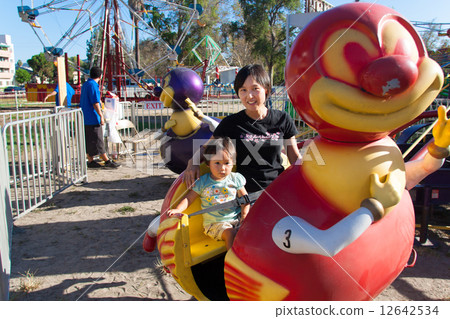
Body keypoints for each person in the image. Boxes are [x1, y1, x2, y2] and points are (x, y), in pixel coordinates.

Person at [183, 64, 301, 193]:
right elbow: (206, 147)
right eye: (243, 90)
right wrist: (192, 163)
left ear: (266, 89)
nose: (249, 96)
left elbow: (294, 156)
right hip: (245, 192)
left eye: (255, 88)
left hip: (278, 189)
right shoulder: (231, 123)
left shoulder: (282, 119)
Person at [168, 137, 250, 250]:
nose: (222, 168)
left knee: (253, 230)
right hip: (215, 224)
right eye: (217, 163)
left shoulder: (235, 179)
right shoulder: (203, 182)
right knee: (230, 233)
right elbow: (189, 198)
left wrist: (245, 215)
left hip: (236, 219)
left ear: (233, 163)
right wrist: (178, 210)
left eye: (227, 163)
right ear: (208, 164)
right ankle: (232, 259)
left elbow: (244, 199)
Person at [80, 66, 120, 169]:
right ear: (100, 76)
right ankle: (106, 160)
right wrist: (101, 115)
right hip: (93, 117)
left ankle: (91, 160)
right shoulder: (93, 85)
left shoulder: (85, 85)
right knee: (98, 140)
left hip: (85, 117)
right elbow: (95, 103)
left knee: (89, 140)